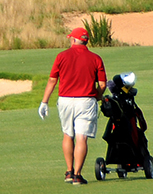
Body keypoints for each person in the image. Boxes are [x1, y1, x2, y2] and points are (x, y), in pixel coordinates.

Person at [39, 27, 106, 184]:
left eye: (71, 39)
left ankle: (69, 172)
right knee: (81, 137)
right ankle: (77, 175)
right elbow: (102, 84)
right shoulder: (96, 58)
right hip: (86, 101)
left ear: (75, 40)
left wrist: (44, 101)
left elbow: (52, 80)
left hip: (65, 100)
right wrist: (97, 97)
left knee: (68, 134)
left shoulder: (61, 56)